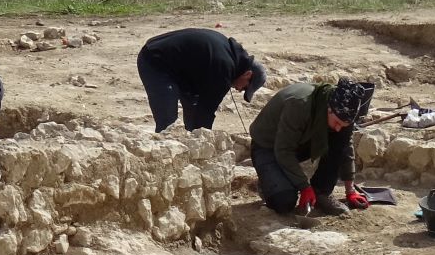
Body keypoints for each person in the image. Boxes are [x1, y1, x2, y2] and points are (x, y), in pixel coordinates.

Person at [248, 76, 374, 218]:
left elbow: (345, 148)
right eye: (337, 123)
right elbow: (283, 150)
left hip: (299, 142)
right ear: (329, 109)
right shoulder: (299, 104)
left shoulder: (345, 113)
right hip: (267, 146)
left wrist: (350, 190)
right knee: (284, 202)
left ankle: (321, 192)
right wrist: (304, 187)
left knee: (339, 141)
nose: (339, 128)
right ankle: (267, 183)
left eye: (343, 125)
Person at [136, 28, 266, 133]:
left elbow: (199, 106)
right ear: (248, 74)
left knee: (193, 107)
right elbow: (206, 111)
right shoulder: (223, 68)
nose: (238, 90)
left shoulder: (228, 56)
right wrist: (203, 140)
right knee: (168, 124)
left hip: (177, 67)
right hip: (155, 60)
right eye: (244, 88)